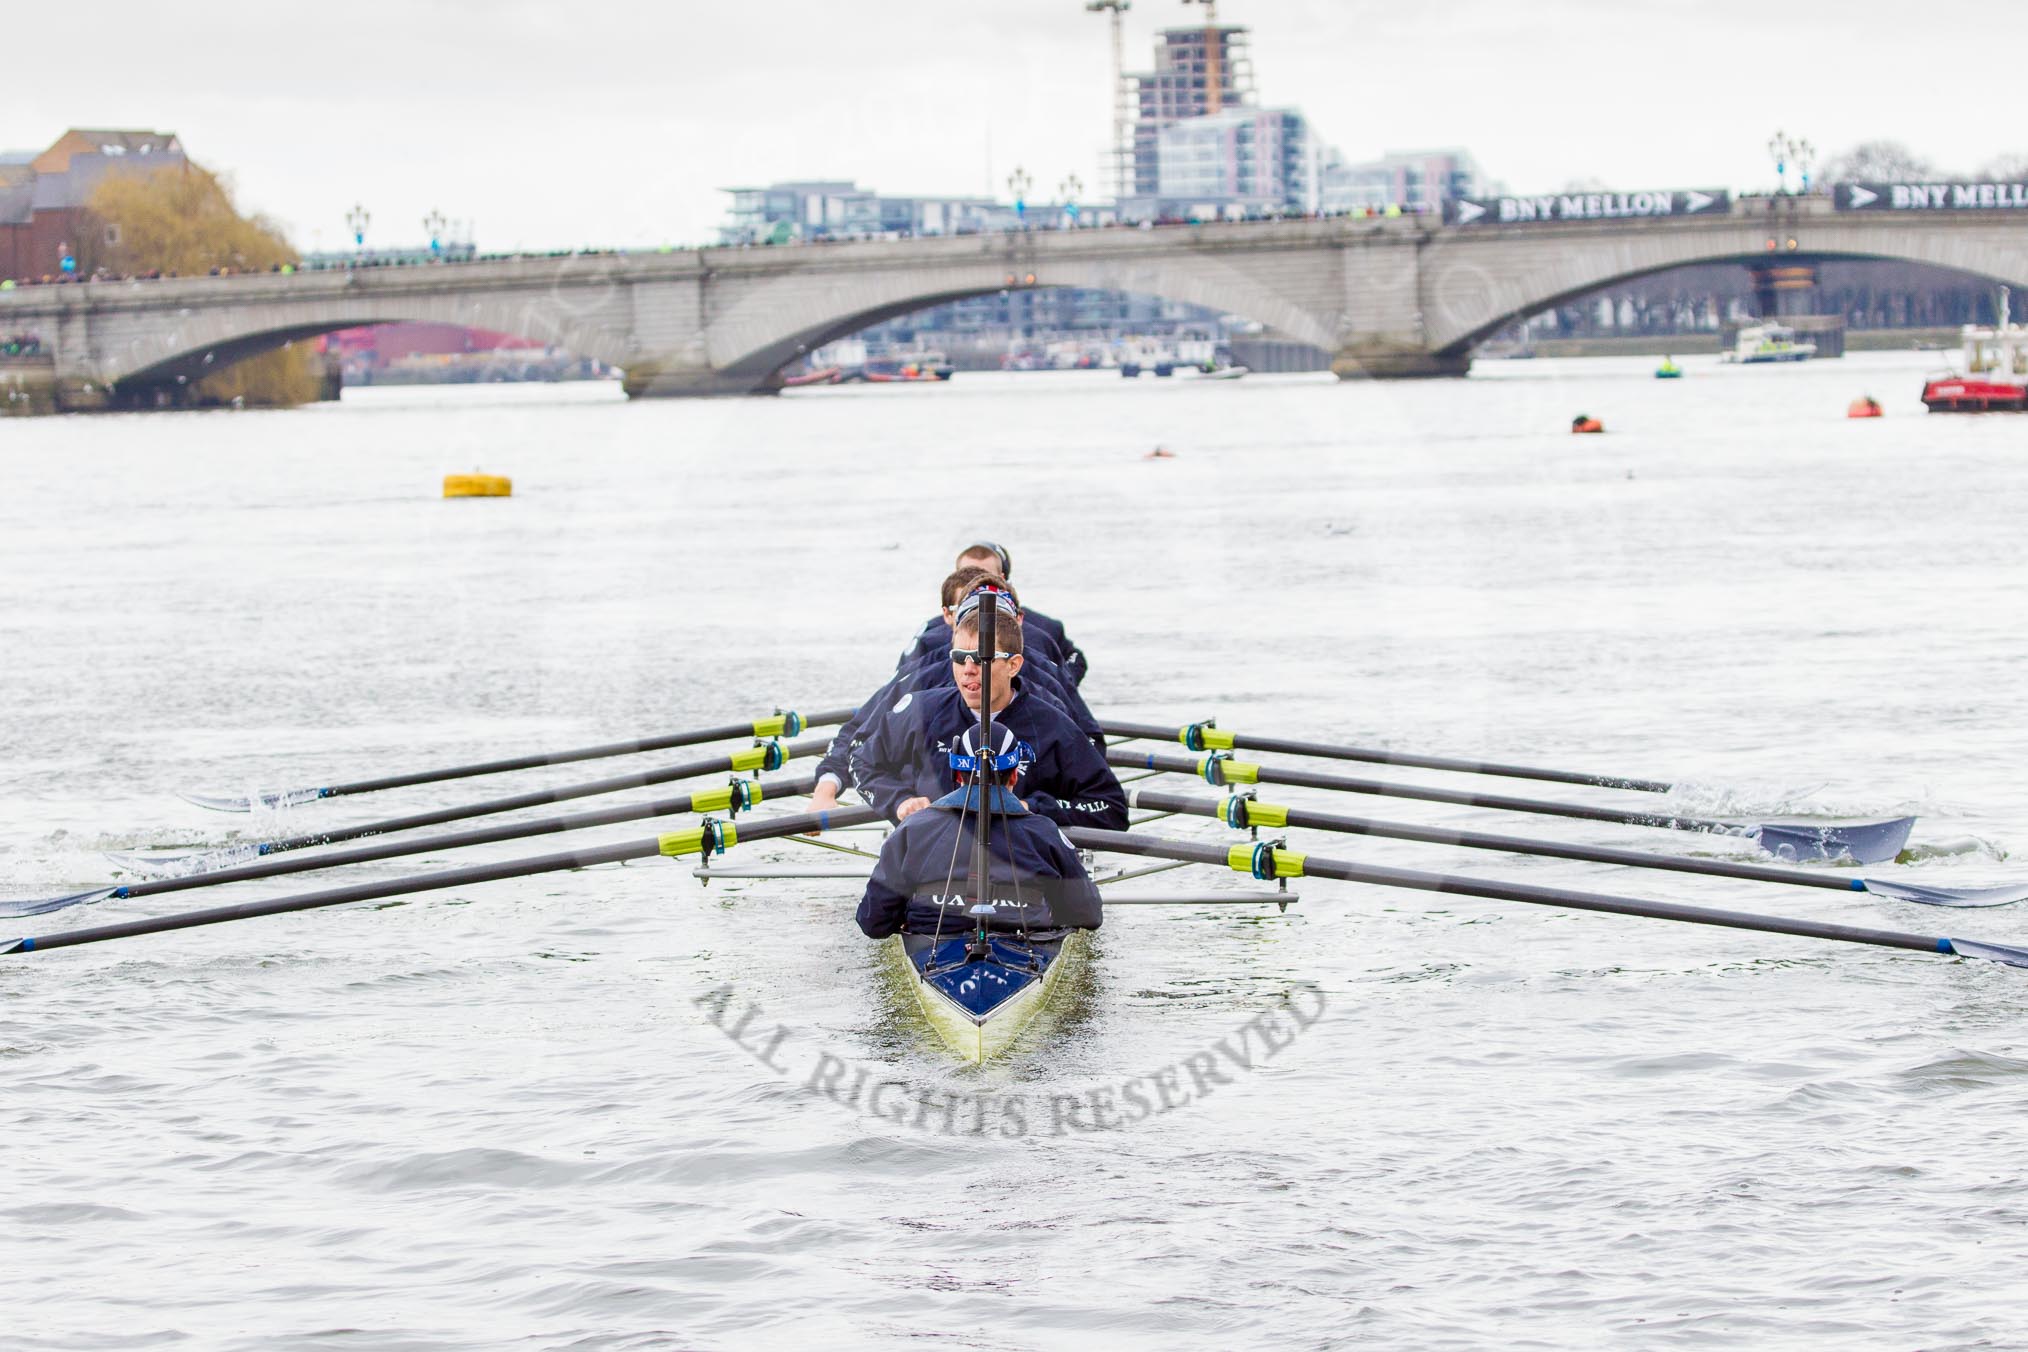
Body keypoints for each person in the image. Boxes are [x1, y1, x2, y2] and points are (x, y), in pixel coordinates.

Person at [848, 595, 1126, 830]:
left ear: (1014, 665)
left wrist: (1034, 808)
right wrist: (899, 801)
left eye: (983, 658)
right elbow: (861, 763)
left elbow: (1111, 808)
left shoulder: (1053, 724)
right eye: (959, 657)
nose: (968, 669)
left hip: (1024, 863)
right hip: (935, 859)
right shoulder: (920, 711)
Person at [856, 722, 1102, 939]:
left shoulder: (912, 829)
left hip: (932, 942)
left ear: (956, 774)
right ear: (1015, 775)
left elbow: (874, 922)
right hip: (1025, 945)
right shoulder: (1045, 831)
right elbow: (1088, 915)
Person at [897, 543, 1088, 685]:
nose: (975, 582)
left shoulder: (1044, 629)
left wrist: (1060, 685)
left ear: (1000, 578)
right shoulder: (929, 637)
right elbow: (900, 683)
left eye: (981, 575)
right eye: (961, 657)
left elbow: (1074, 661)